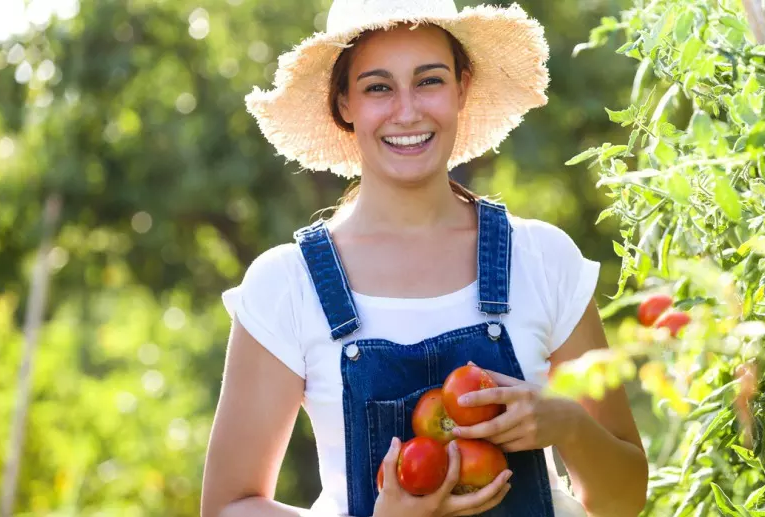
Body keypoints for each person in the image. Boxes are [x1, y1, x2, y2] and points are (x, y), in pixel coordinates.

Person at [201, 0, 649, 516]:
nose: (407, 110)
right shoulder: (287, 284)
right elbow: (227, 508)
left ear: (462, 87)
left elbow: (625, 501)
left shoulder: (543, 259)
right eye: (377, 87)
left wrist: (565, 423)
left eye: (429, 80)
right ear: (343, 103)